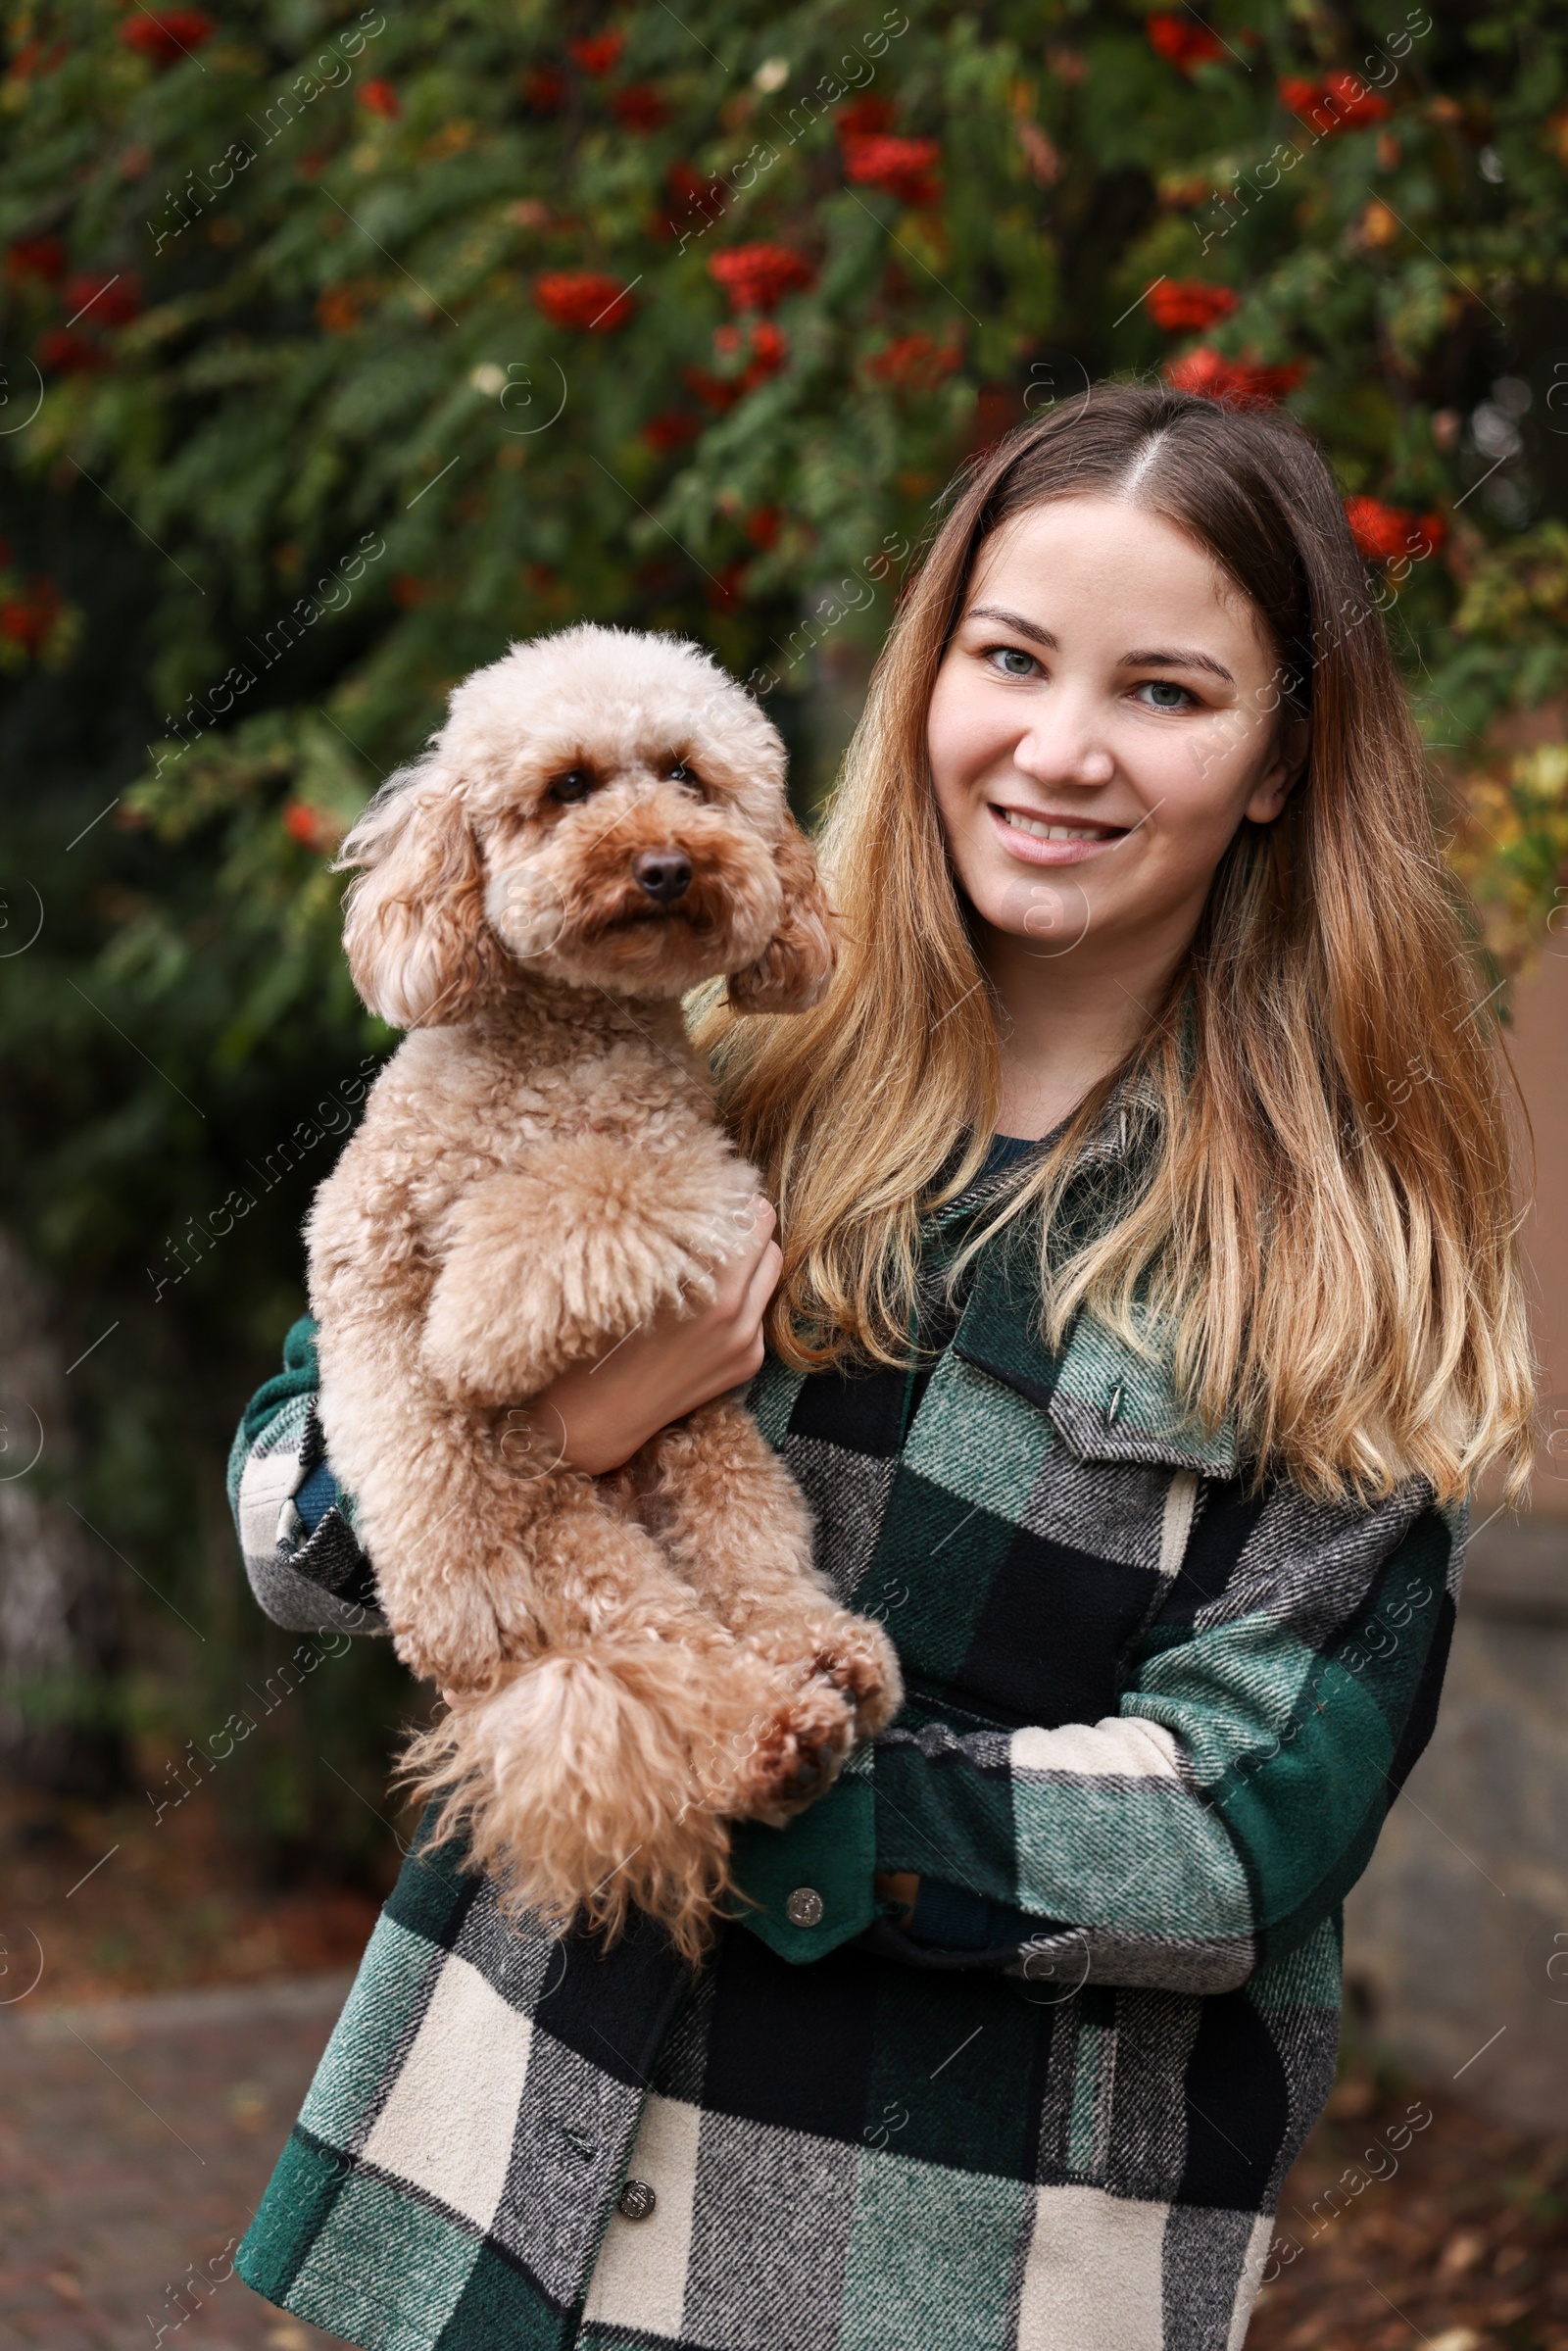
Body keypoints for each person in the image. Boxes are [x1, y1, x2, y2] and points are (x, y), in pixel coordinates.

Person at [230, 382, 1534, 2351]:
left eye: (1165, 692)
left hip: (933, 2260)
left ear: (1276, 758)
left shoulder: (1336, 1257)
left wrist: (756, 1783)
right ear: (930, 680)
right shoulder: (683, 1058)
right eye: (1007, 660)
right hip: (500, 2183)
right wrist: (566, 1429)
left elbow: (1235, 1827)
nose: (1059, 748)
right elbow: (289, 1497)